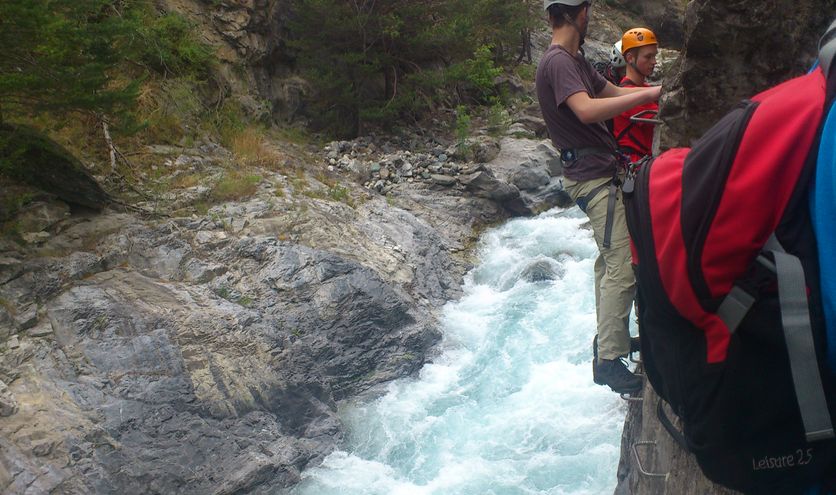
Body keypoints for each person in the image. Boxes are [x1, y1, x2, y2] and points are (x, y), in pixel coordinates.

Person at [535, 0, 661, 394]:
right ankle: (608, 360)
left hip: (596, 172)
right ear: (576, 14)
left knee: (608, 265)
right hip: (592, 176)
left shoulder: (575, 60)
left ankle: (612, 342)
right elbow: (589, 110)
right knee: (623, 265)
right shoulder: (558, 62)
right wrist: (648, 96)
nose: (589, 16)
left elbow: (609, 90)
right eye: (586, 9)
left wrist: (653, 91)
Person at [612, 28, 660, 162]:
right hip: (636, 165)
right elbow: (667, 117)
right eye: (648, 56)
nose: (654, 61)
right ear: (630, 58)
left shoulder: (645, 88)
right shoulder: (629, 94)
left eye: (654, 56)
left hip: (645, 162)